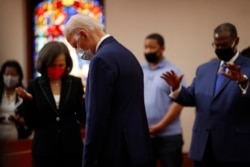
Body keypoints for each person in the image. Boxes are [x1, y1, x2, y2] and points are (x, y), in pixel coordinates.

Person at [64, 14, 153, 167]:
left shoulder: (100, 60)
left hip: (115, 152)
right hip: (137, 147)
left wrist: (88, 161)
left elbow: (96, 119)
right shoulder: (127, 54)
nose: (77, 51)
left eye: (75, 45)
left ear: (84, 34)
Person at [161, 22, 250, 167]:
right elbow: (191, 97)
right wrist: (177, 88)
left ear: (236, 41)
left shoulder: (248, 66)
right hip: (203, 147)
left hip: (235, 149)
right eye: (216, 45)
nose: (220, 48)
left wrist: (243, 82)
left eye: (224, 44)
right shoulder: (204, 69)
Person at [16, 41, 85, 167]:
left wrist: (86, 100)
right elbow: (31, 122)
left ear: (67, 64)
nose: (57, 69)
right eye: (53, 65)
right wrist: (28, 101)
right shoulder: (34, 85)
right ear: (44, 64)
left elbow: (82, 117)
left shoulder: (75, 83)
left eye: (61, 65)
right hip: (44, 151)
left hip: (71, 150)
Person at [142, 33, 184, 167]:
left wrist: (159, 127)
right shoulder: (139, 70)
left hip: (169, 136)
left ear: (162, 49)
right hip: (144, 135)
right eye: (146, 47)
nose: (148, 51)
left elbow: (179, 103)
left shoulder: (173, 71)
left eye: (152, 47)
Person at [0, 60, 31, 141]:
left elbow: (31, 119)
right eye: (7, 74)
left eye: (13, 75)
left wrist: (21, 120)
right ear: (2, 75)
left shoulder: (24, 95)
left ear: (19, 77)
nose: (9, 77)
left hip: (18, 137)